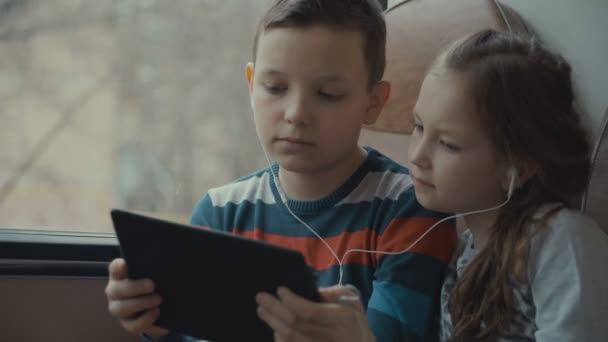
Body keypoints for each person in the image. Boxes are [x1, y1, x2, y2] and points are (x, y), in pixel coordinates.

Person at [104, 1, 457, 341]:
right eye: (275, 88)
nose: (296, 113)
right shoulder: (221, 212)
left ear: (373, 102)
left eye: (328, 93)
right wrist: (155, 320)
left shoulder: (408, 211)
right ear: (251, 85)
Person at [255, 29, 608, 342]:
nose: (418, 156)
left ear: (519, 166)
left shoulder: (561, 242)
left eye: (449, 145)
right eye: (419, 127)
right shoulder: (464, 253)